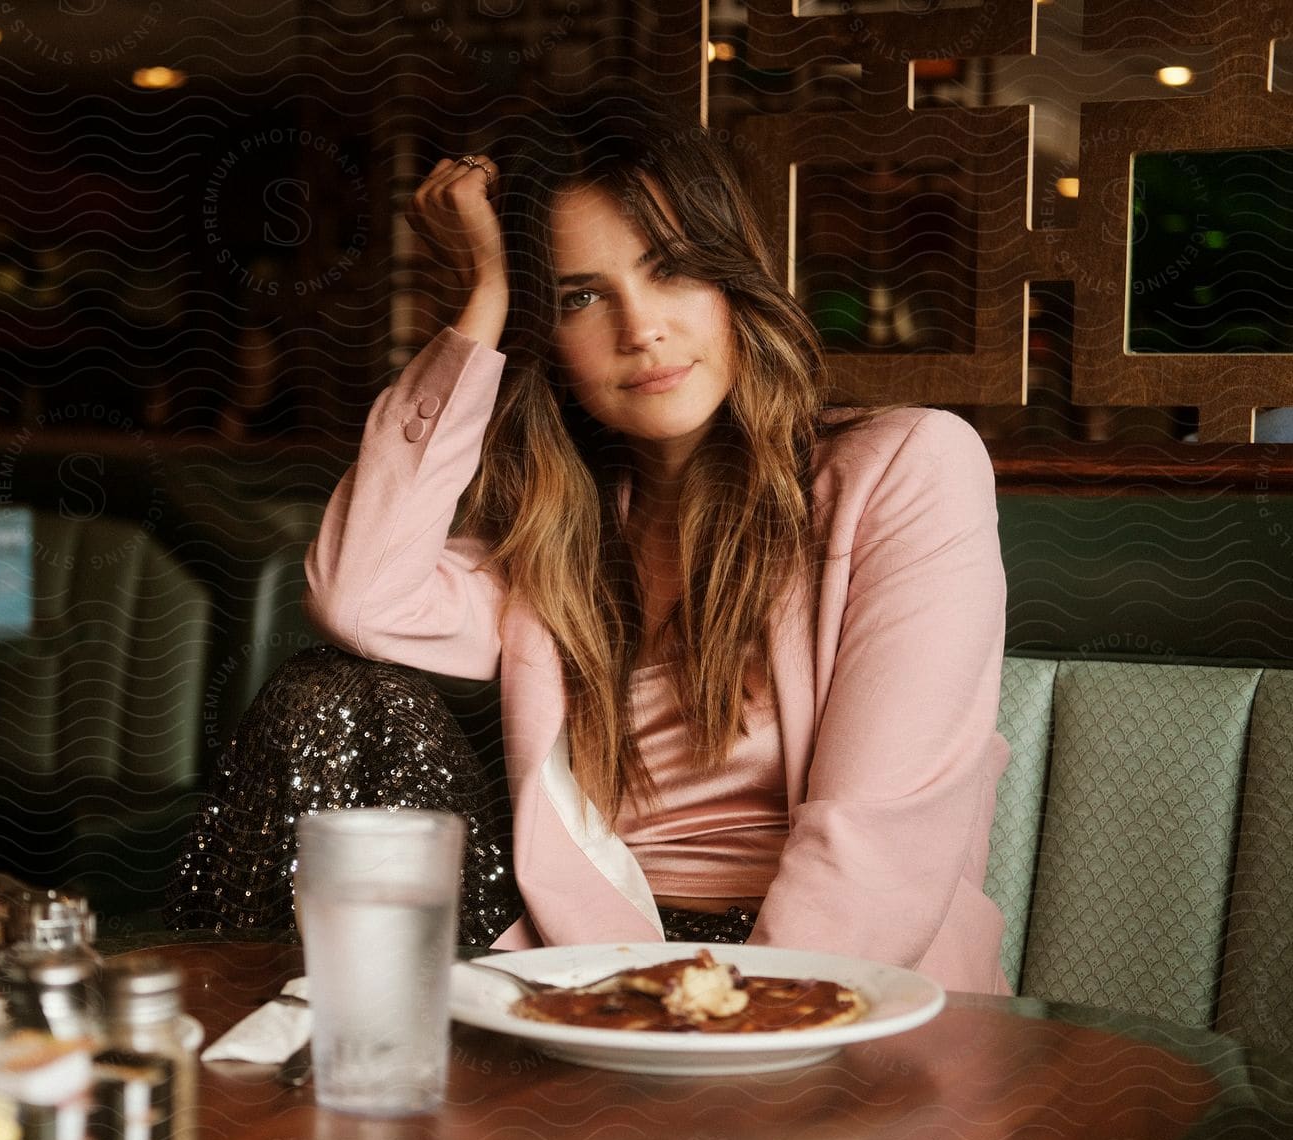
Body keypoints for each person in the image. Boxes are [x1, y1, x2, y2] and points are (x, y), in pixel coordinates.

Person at [177, 84, 1011, 992]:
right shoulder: (556, 531)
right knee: (328, 693)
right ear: (549, 339)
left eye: (673, 269)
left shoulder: (906, 467)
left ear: (734, 279)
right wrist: (485, 298)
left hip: (822, 975)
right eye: (580, 297)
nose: (640, 329)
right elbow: (358, 596)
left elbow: (879, 845)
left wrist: (741, 1014)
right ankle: (253, 1066)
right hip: (599, 956)